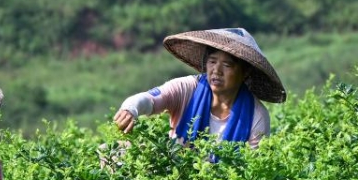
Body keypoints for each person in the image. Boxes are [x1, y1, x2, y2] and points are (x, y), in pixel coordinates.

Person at [113, 27, 286, 149]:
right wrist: (131, 109)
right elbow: (150, 99)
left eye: (227, 65)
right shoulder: (188, 88)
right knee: (113, 149)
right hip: (174, 176)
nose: (216, 71)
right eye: (212, 62)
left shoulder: (256, 116)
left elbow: (252, 169)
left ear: (244, 72)